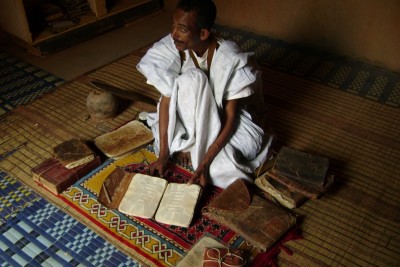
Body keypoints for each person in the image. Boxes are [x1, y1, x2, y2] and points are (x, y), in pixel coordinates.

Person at [137, 0, 273, 189]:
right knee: (185, 86)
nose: (173, 33)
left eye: (182, 29)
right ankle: (190, 146)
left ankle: (193, 149)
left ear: (203, 33)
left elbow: (230, 117)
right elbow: (168, 100)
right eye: (173, 24)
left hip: (229, 120)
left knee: (218, 169)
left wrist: (205, 161)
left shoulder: (228, 58)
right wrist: (163, 156)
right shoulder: (178, 47)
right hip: (197, 118)